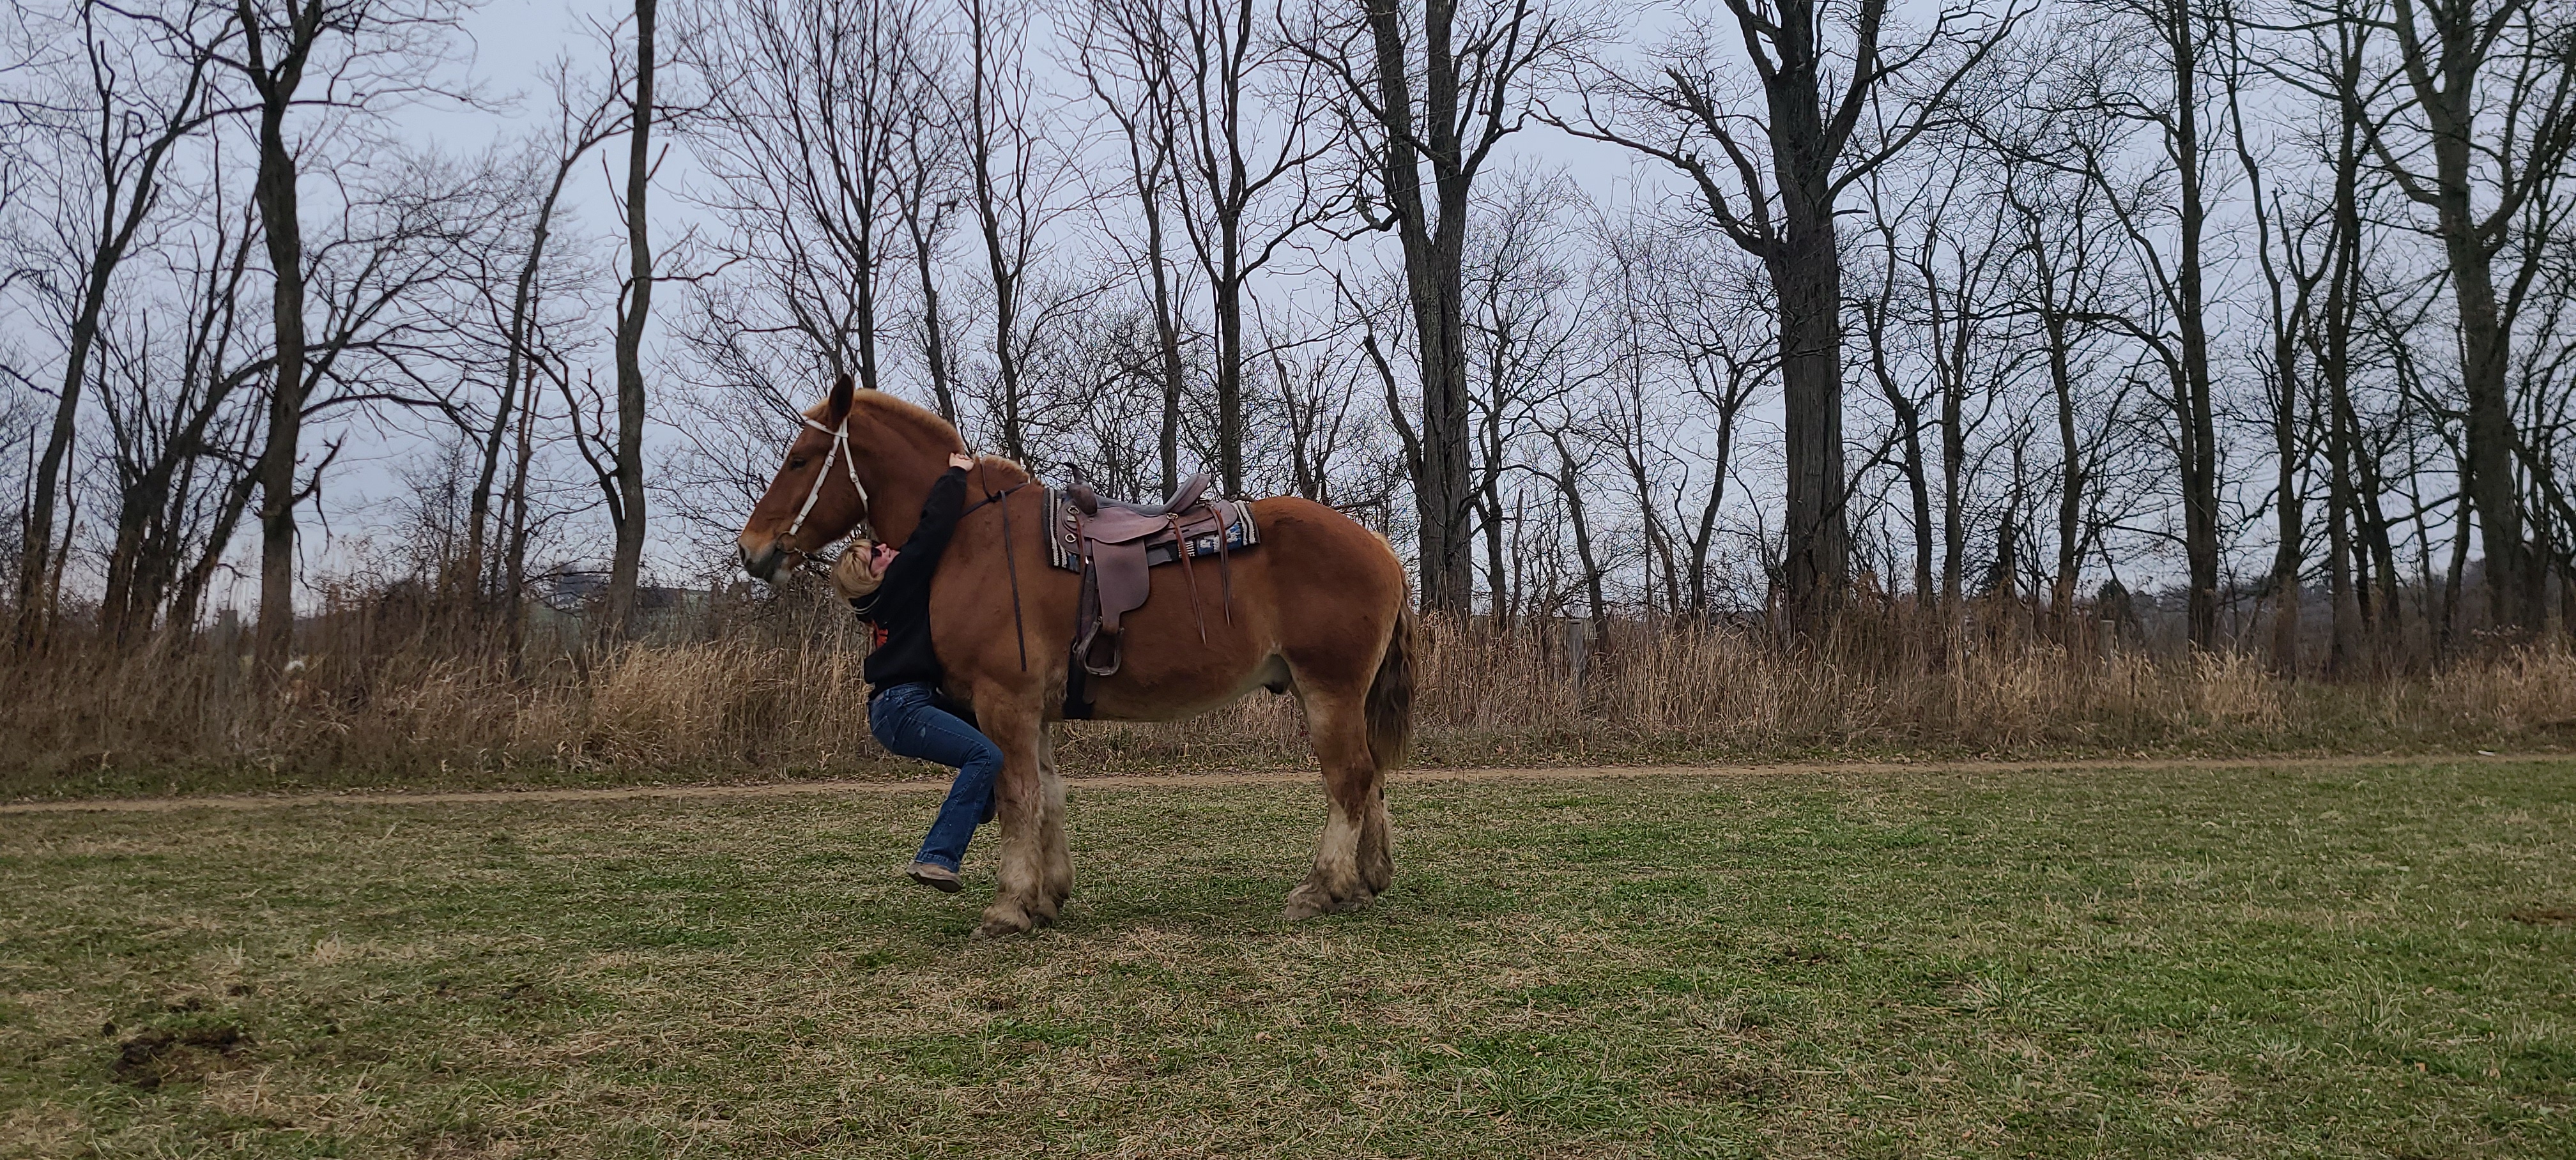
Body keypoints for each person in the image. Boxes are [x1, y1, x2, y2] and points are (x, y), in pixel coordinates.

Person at [832, 451, 1001, 894]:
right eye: (878, 555)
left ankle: (982, 802)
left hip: (913, 701)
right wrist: (955, 474)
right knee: (985, 756)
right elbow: (931, 532)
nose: (888, 548)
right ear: (871, 578)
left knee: (997, 737)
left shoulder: (882, 600)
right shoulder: (894, 587)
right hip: (901, 707)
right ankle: (937, 857)